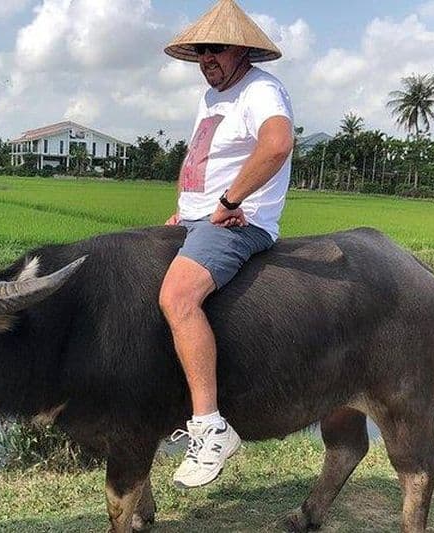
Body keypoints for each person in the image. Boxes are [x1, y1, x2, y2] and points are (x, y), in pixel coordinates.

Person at [160, 0, 294, 489]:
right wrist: (186, 206)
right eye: (200, 50)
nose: (206, 58)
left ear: (243, 50)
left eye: (216, 49)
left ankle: (211, 427)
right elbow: (200, 156)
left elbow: (277, 144)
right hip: (199, 218)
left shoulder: (261, 90)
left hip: (240, 222)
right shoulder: (212, 96)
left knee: (177, 296)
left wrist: (229, 199)